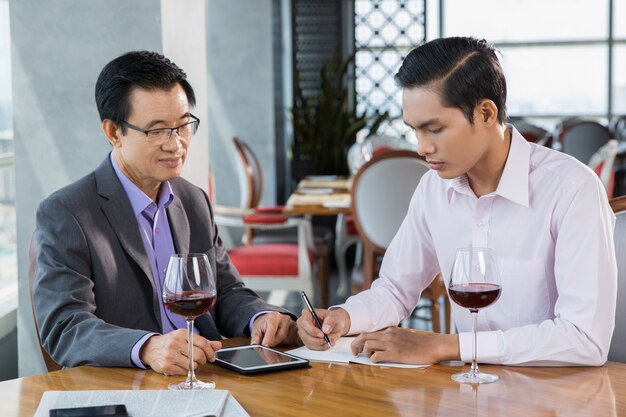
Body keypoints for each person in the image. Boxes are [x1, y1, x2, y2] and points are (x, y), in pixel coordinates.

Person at [297, 37, 617, 366]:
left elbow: (584, 338)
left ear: (486, 113)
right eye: (414, 130)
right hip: (465, 392)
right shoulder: (433, 189)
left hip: (556, 397)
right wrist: (344, 317)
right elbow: (395, 288)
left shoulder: (571, 190)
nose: (422, 148)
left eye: (434, 129)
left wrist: (448, 347)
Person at [33, 51, 298, 375]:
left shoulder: (193, 200)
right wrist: (146, 347)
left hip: (209, 375)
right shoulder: (68, 212)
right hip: (130, 385)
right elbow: (65, 326)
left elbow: (226, 291)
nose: (176, 144)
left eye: (183, 126)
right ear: (114, 132)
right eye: (157, 131)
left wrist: (261, 317)